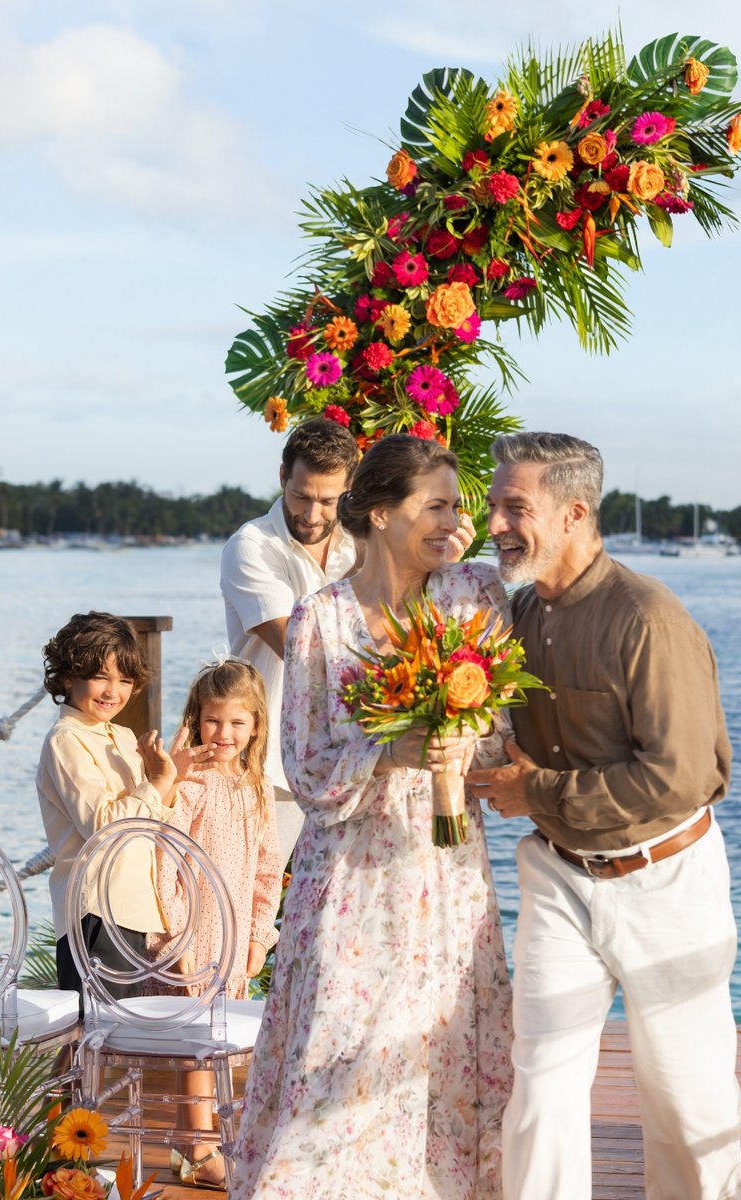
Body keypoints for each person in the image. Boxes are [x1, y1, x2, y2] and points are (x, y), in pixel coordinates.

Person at [229, 434, 514, 1200]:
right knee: (338, 1038)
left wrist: (461, 737)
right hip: (351, 876)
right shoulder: (319, 620)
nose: (454, 521)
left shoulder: (475, 597)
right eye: (437, 506)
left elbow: (506, 734)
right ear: (382, 513)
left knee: (440, 1044)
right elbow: (307, 765)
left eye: (458, 506)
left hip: (447, 872)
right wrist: (395, 749)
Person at [467, 432, 741, 1200]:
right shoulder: (516, 616)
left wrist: (540, 793)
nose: (496, 525)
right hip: (558, 877)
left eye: (515, 507)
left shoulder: (648, 619)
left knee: (686, 1100)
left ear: (574, 512)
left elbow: (685, 776)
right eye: (493, 506)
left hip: (666, 880)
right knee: (541, 1085)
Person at [147, 659, 284, 1191]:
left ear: (255, 727)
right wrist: (177, 936)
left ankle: (201, 1140)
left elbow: (269, 868)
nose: (223, 734)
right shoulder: (191, 785)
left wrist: (258, 935)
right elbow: (166, 861)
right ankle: (198, 1147)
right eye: (212, 721)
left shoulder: (256, 786)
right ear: (195, 721)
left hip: (232, 938)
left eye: (236, 723)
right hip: (192, 936)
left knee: (217, 1041)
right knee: (196, 1044)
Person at [36, 610, 201, 1002]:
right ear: (67, 676)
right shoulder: (66, 740)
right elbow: (105, 826)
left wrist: (170, 779)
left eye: (124, 680)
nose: (113, 691)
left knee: (113, 1034)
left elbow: (146, 826)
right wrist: (158, 782)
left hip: (131, 907)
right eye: (100, 677)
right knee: (93, 1031)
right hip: (94, 909)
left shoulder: (124, 736)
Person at [220, 418, 361, 870]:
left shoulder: (360, 545)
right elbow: (298, 648)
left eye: (327, 501)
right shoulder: (252, 546)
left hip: (350, 759)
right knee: (247, 903)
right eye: (302, 496)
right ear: (283, 477)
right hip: (269, 765)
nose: (312, 514)